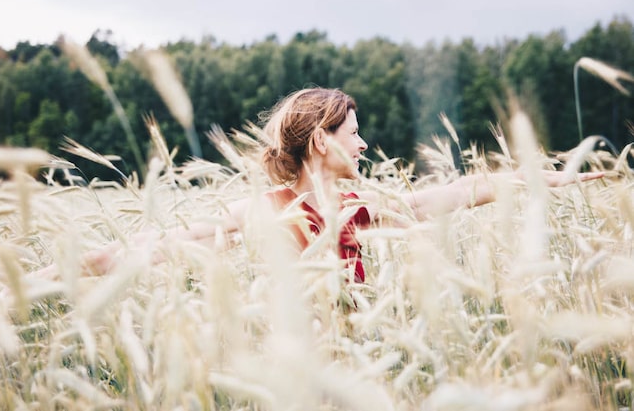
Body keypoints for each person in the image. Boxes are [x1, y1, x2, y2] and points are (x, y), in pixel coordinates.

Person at [78, 87, 603, 283]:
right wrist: (46, 277)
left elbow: (459, 193)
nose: (364, 143)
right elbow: (159, 245)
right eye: (353, 133)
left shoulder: (362, 205)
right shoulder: (268, 207)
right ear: (322, 142)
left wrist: (537, 178)